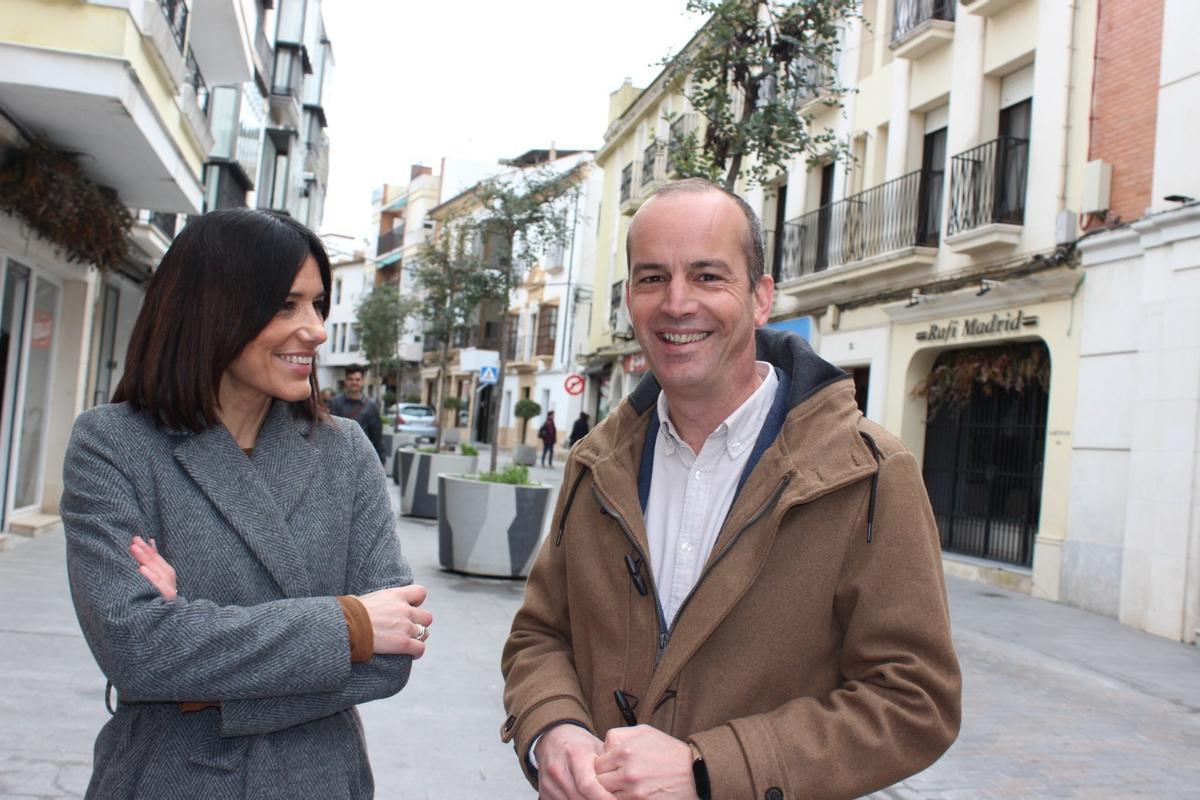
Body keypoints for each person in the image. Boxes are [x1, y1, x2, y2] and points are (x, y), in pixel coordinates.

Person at [500, 179, 961, 800]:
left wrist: (707, 769)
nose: (676, 303)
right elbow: (539, 635)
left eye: (709, 276)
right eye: (652, 278)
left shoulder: (870, 474)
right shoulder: (595, 465)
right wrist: (553, 728)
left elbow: (915, 701)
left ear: (760, 297)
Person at [61, 209, 432, 800]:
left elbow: (395, 653)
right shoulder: (114, 444)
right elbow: (135, 649)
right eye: (286, 305)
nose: (314, 329)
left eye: (318, 305)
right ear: (212, 308)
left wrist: (195, 673)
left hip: (322, 781)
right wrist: (351, 624)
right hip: (166, 779)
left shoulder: (345, 451)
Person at [328, 365, 385, 464]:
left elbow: (377, 437)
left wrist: (381, 461)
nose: (354, 382)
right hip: (336, 457)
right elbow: (327, 431)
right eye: (350, 379)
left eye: (357, 379)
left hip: (361, 459)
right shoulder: (334, 403)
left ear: (362, 381)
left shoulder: (371, 406)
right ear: (345, 381)